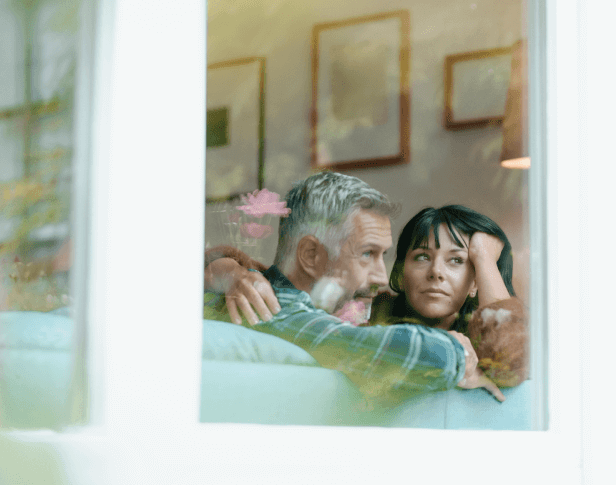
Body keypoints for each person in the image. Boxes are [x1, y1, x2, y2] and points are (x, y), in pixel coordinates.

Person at [204, 171, 503, 402]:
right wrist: (457, 351)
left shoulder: (273, 292)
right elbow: (406, 351)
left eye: (382, 256)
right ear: (311, 255)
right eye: (367, 254)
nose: (382, 278)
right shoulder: (276, 309)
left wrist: (224, 265)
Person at [370, 205, 528, 387]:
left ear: (475, 283)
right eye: (422, 257)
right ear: (399, 275)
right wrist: (444, 349)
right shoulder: (370, 316)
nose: (436, 272)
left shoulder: (483, 339)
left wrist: (484, 257)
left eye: (456, 260)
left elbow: (511, 362)